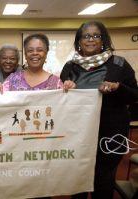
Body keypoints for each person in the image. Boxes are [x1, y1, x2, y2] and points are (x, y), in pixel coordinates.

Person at [60, 21, 138, 199]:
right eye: (86, 36)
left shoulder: (119, 63)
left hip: (110, 134)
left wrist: (118, 88)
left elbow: (135, 95)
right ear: (79, 41)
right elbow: (63, 99)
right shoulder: (69, 67)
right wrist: (66, 87)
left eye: (96, 35)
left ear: (103, 40)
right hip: (78, 134)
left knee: (103, 180)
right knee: (78, 179)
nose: (91, 40)